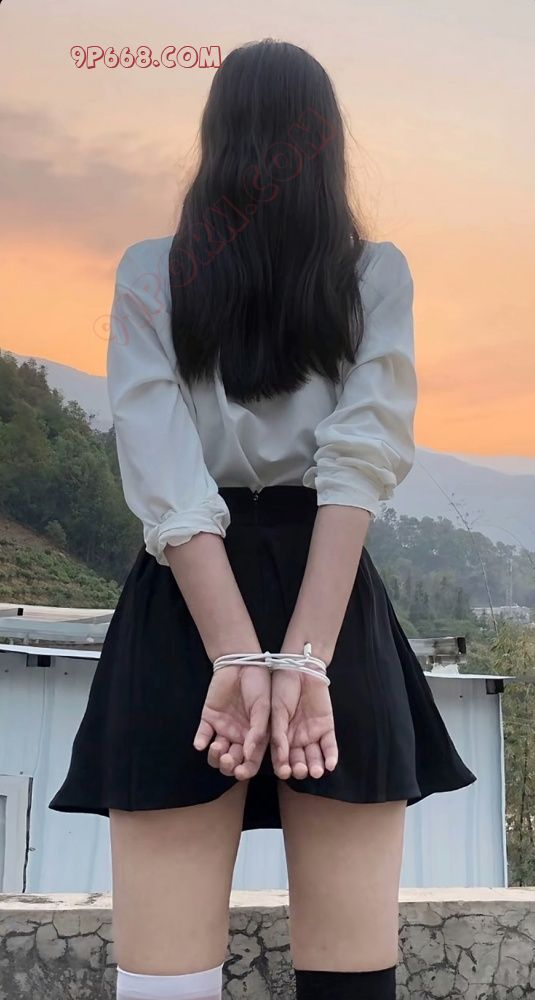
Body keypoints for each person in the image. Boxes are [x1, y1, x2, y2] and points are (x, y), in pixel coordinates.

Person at [49, 38, 477, 1000]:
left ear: (215, 139)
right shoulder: (374, 276)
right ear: (327, 146)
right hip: (331, 605)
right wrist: (304, 661)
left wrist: (237, 657)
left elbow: (165, 473)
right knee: (351, 981)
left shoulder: (152, 273)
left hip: (184, 609)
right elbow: (356, 467)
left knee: (165, 985)